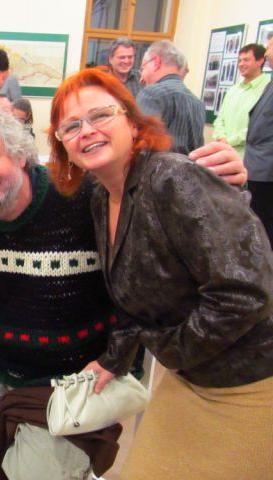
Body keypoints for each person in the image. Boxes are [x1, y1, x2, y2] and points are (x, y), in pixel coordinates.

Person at [0, 100, 248, 479]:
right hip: (0, 359)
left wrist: (223, 186)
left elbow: (167, 215)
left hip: (83, 372)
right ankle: (9, 458)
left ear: (20, 156)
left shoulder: (85, 197)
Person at [49, 67, 273, 479]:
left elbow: (245, 294)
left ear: (134, 124)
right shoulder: (102, 197)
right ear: (62, 145)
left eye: (100, 115)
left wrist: (168, 349)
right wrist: (113, 359)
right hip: (190, 376)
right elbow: (135, 297)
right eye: (71, 126)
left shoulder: (171, 177)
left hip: (252, 379)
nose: (87, 131)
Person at [137, 41, 204, 154]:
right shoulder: (198, 103)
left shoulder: (151, 95)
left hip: (155, 165)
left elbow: (141, 146)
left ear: (156, 62)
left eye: (142, 69)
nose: (141, 79)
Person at [212, 43, 268, 158]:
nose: (241, 64)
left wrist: (229, 141)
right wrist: (222, 138)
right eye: (239, 60)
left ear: (260, 61)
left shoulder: (268, 89)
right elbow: (219, 119)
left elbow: (262, 127)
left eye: (246, 60)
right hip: (223, 155)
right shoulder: (233, 90)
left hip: (250, 160)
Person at [244, 33, 273, 244]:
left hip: (267, 171)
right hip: (256, 167)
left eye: (270, 47)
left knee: (264, 230)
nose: (268, 52)